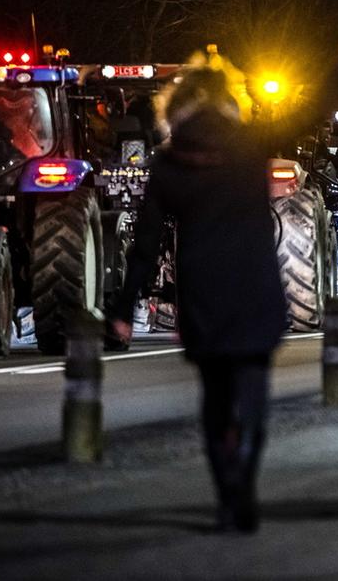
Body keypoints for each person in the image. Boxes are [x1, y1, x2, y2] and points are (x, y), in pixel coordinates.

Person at [111, 67, 287, 533]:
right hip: (255, 292)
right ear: (229, 103)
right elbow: (309, 110)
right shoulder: (252, 147)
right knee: (251, 399)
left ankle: (226, 496)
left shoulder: (168, 164)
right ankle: (244, 491)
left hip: (204, 297)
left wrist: (124, 308)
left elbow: (146, 245)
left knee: (215, 402)